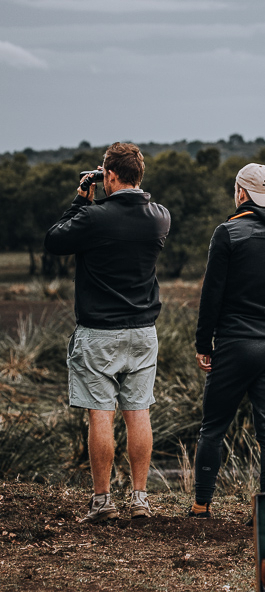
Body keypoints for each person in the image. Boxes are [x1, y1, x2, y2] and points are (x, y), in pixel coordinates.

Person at [44, 142, 171, 523]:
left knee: (101, 415)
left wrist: (82, 199)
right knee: (139, 412)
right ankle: (140, 498)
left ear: (109, 176)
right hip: (143, 332)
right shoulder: (160, 217)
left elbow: (54, 241)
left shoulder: (94, 218)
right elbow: (139, 207)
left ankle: (102, 502)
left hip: (99, 332)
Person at [190, 162, 265, 517]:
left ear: (241, 193)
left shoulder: (228, 233)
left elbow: (211, 296)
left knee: (213, 428)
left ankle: (200, 506)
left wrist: (203, 344)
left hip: (235, 343)